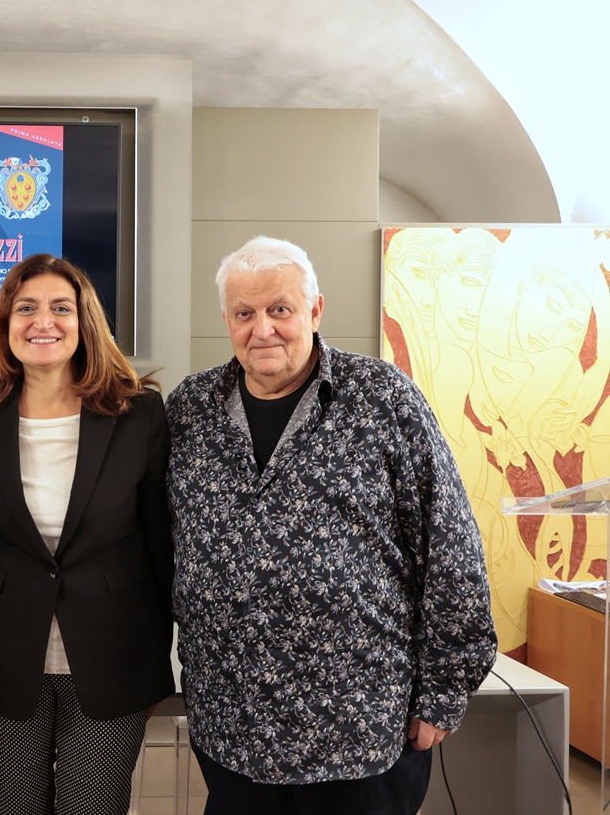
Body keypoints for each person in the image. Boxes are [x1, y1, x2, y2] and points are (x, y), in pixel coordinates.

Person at [165, 236, 496, 815]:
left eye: (280, 309)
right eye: (245, 313)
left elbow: (451, 549)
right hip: (232, 727)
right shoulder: (191, 408)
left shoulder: (384, 399)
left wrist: (444, 689)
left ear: (315, 310)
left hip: (360, 731)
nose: (262, 328)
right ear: (226, 319)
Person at [0, 254, 174, 815]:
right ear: (4, 324)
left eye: (60, 308)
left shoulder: (138, 413)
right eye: (26, 308)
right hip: (0, 657)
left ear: (84, 321)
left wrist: (153, 663)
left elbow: (160, 545)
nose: (42, 321)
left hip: (112, 656)